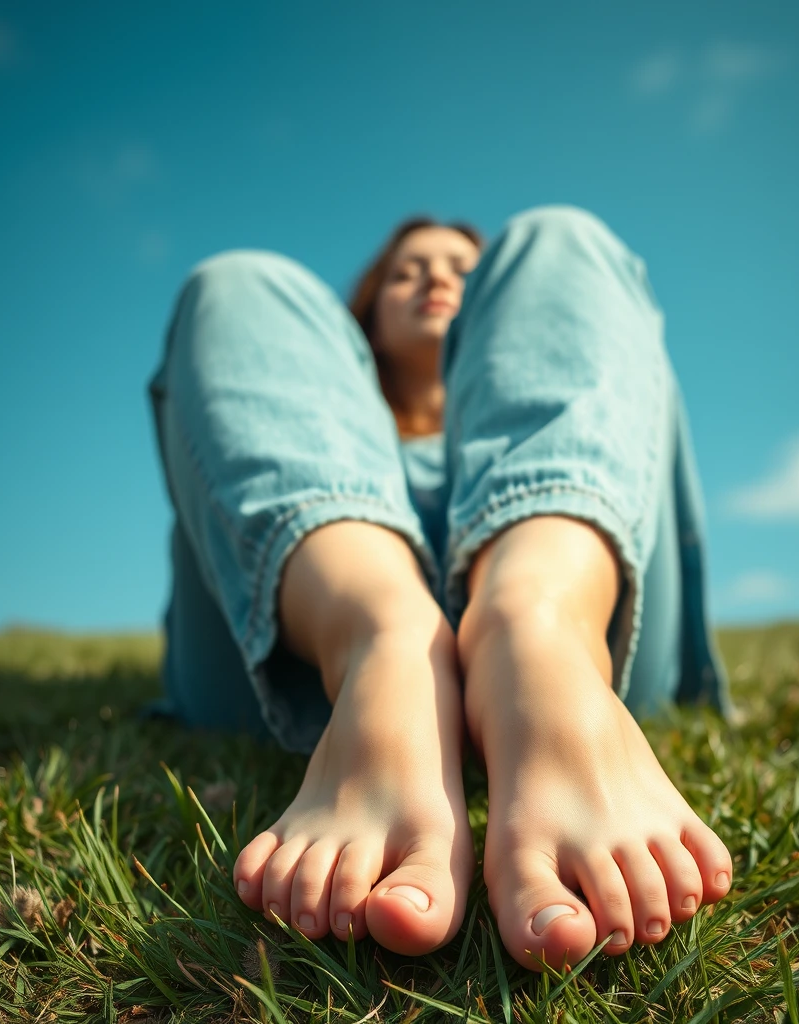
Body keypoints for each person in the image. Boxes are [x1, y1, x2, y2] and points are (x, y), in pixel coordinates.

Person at [147, 205, 734, 972]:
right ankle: (384, 645)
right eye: (405, 270)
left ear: (496, 312)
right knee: (237, 284)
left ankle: (537, 631)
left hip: (604, 643)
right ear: (360, 325)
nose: (433, 278)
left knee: (561, 240)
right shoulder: (301, 425)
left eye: (465, 270)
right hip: (287, 664)